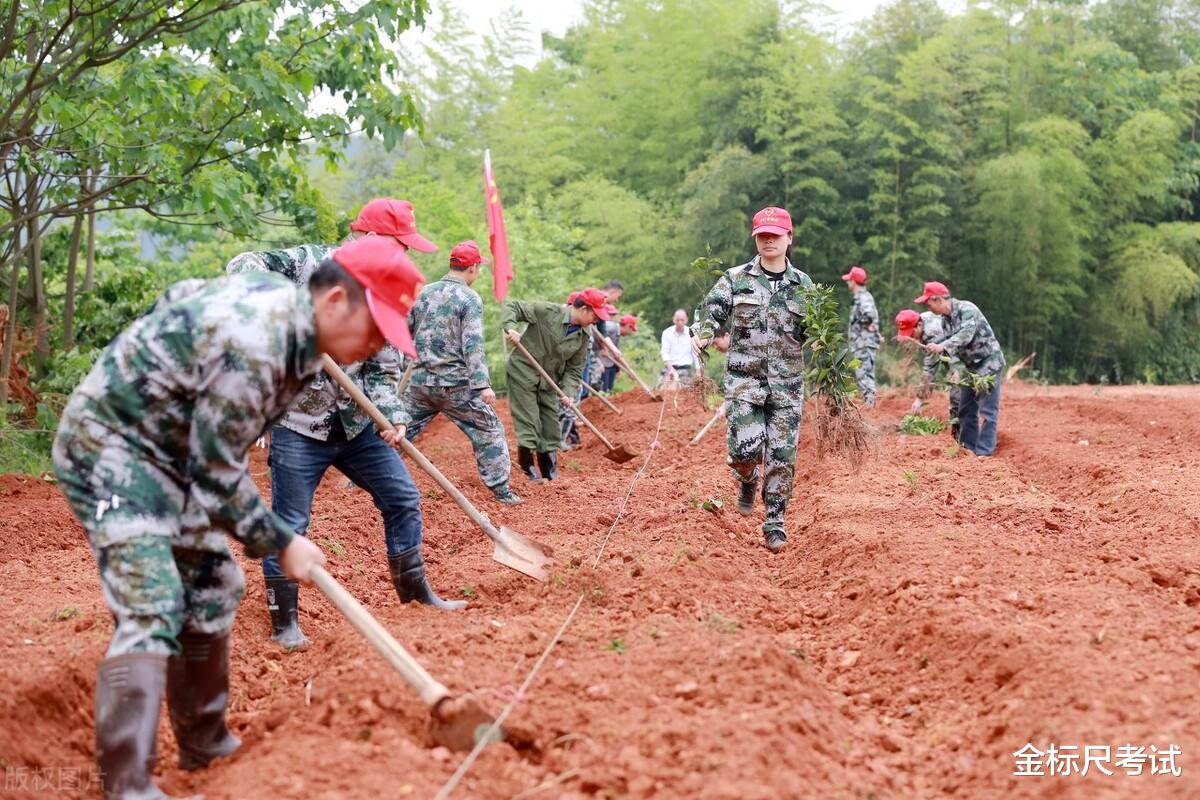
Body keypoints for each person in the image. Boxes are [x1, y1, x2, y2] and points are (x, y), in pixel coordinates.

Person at [52, 235, 417, 800]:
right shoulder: (259, 343)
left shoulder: (297, 332)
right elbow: (216, 472)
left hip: (175, 452)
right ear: (335, 300)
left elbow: (180, 298)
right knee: (152, 599)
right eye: (376, 329)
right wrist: (281, 541)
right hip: (112, 447)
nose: (376, 346)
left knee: (216, 582)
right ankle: (125, 784)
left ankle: (204, 743)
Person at [227, 198, 464, 654]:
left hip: (355, 428)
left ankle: (416, 598)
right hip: (298, 425)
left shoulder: (387, 286)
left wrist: (391, 416)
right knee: (291, 523)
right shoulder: (310, 265)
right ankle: (284, 622)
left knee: (402, 498)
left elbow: (383, 370)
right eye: (401, 245)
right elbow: (242, 265)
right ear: (372, 237)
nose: (405, 255)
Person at [692, 206, 813, 553]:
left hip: (787, 386)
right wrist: (703, 333)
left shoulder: (803, 285)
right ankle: (747, 477)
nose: (768, 241)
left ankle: (775, 523)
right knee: (744, 451)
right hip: (745, 382)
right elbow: (712, 310)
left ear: (789, 238)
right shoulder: (736, 278)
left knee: (782, 456)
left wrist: (820, 342)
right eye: (762, 236)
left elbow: (814, 327)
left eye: (775, 235)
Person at [404, 241, 521, 505]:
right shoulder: (469, 298)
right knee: (489, 430)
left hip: (420, 384)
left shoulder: (423, 293)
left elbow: (404, 331)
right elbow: (472, 344)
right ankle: (502, 492)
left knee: (396, 430)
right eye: (479, 268)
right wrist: (482, 385)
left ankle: (356, 482)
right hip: (456, 386)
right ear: (473, 268)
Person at [503, 289, 609, 481]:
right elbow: (513, 307)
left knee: (550, 423)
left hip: (550, 380)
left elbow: (575, 369)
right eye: (595, 315)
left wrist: (568, 392)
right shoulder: (547, 311)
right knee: (529, 420)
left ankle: (549, 470)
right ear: (584, 309)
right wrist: (511, 328)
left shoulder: (584, 335)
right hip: (523, 372)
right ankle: (527, 469)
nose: (596, 321)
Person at [914, 280, 1005, 456]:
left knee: (988, 410)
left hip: (989, 364)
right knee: (965, 409)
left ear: (938, 299)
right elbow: (951, 348)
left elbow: (965, 335)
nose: (927, 307)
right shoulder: (945, 320)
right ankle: (968, 450)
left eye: (928, 302)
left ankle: (984, 453)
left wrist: (942, 346)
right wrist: (951, 367)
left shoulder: (967, 309)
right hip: (969, 368)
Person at [894, 309, 961, 435]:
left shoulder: (931, 333)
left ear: (919, 325)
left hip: (964, 357)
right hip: (955, 356)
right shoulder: (923, 319)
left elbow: (930, 368)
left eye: (911, 333)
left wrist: (919, 399)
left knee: (958, 397)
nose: (910, 337)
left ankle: (962, 439)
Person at [843, 265, 881, 407]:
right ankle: (869, 403)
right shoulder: (861, 297)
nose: (848, 283)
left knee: (863, 374)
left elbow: (869, 315)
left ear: (854, 281)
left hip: (863, 342)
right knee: (864, 373)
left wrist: (866, 325)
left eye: (849, 280)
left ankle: (869, 404)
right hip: (862, 342)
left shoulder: (863, 297)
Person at [661, 308, 700, 387]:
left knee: (684, 390)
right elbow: (665, 352)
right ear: (673, 319)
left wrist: (698, 370)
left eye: (682, 320)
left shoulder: (692, 333)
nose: (680, 322)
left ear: (686, 320)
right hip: (669, 368)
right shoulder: (666, 333)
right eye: (677, 320)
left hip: (685, 370)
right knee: (661, 389)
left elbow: (695, 353)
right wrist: (671, 369)